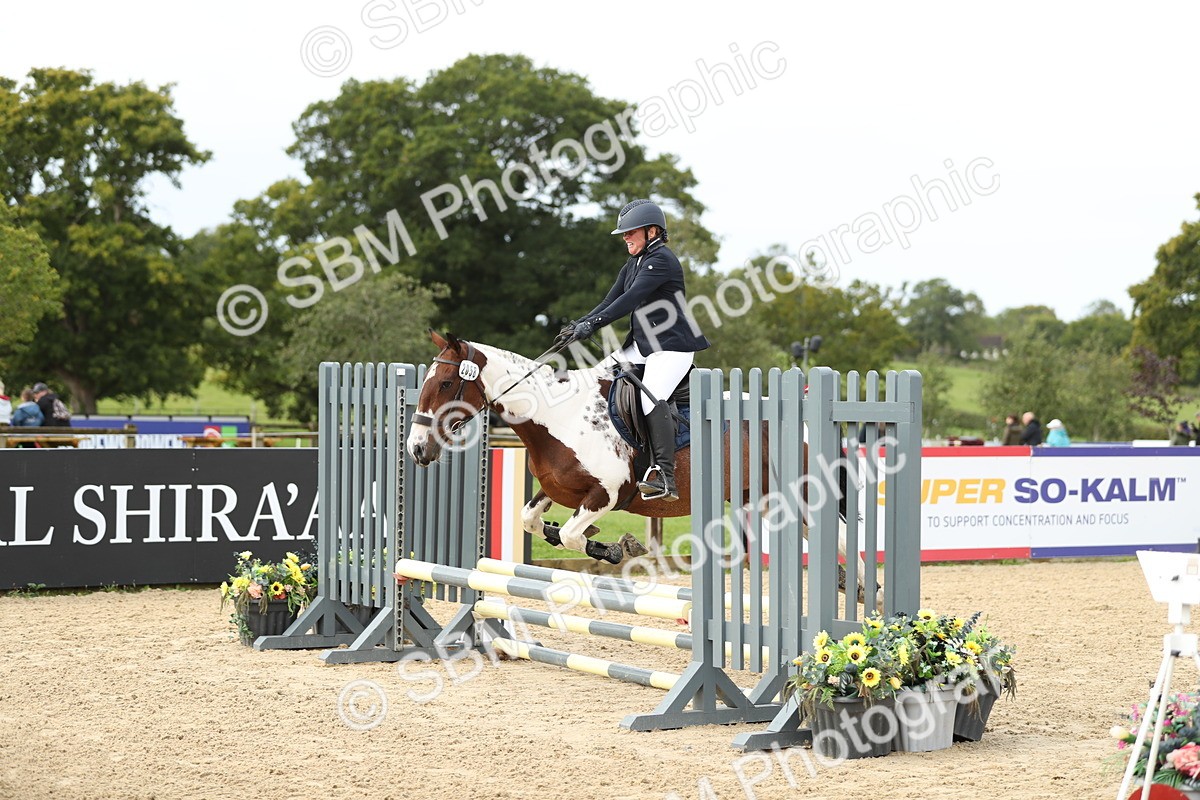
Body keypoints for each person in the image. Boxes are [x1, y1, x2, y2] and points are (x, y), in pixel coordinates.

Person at [558, 199, 710, 501]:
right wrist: (582, 325)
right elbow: (608, 301)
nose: (625, 238)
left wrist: (595, 324)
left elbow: (628, 301)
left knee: (649, 395)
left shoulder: (662, 261)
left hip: (672, 347)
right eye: (624, 234)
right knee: (594, 380)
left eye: (631, 233)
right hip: (642, 345)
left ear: (652, 231)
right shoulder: (633, 264)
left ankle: (665, 475)